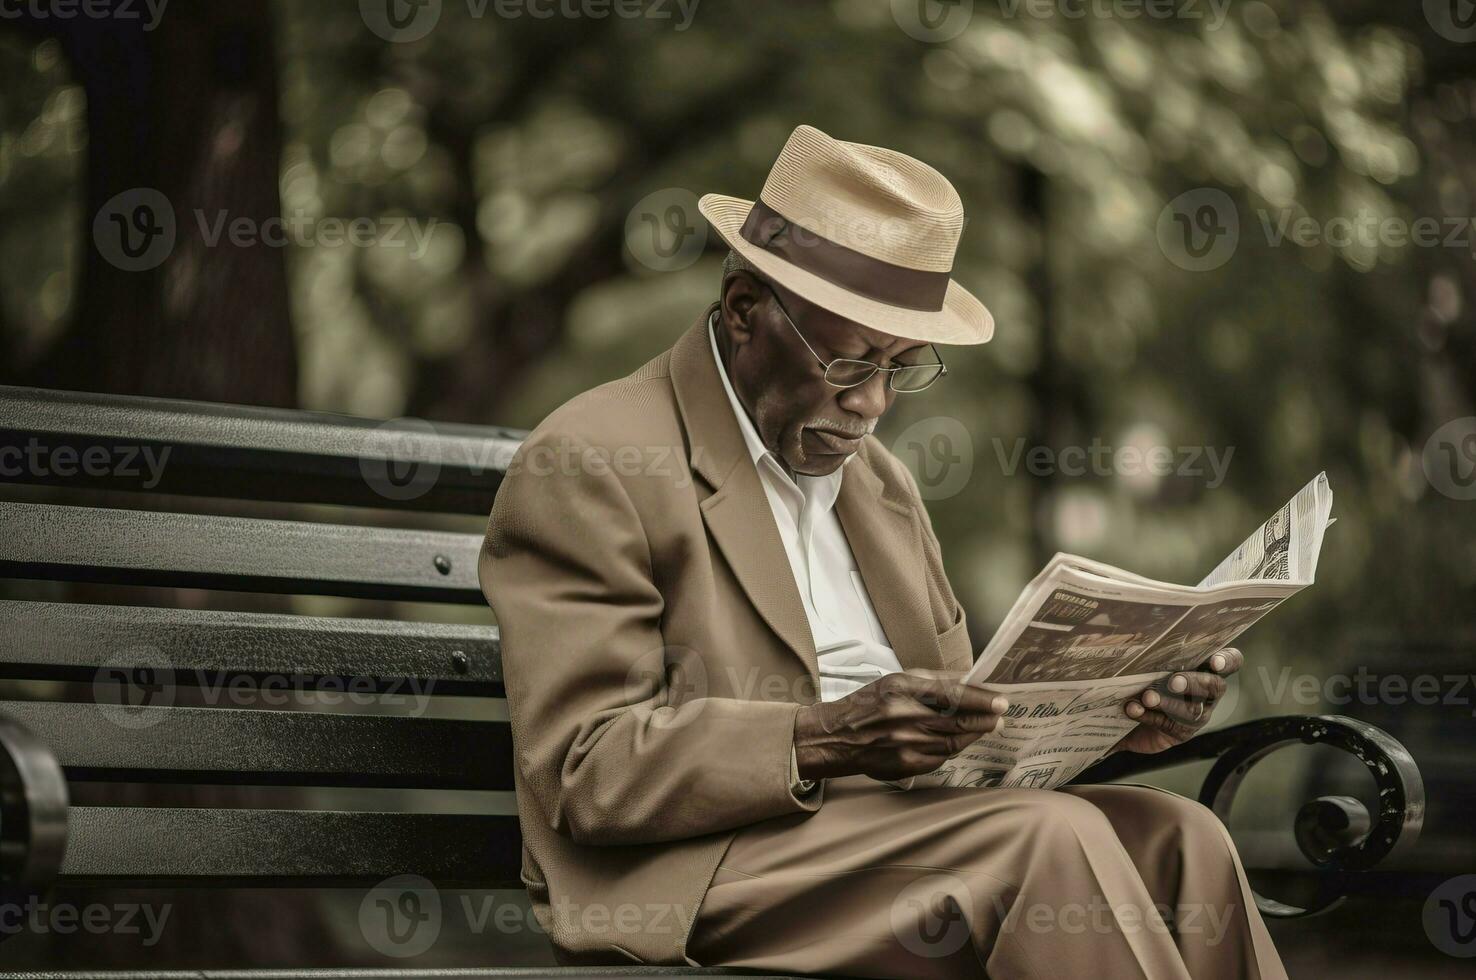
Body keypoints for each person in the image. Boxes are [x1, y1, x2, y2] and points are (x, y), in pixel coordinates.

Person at [479, 124, 1286, 978]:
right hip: (707, 866)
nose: (871, 405)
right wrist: (824, 738)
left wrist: (1124, 724)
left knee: (1182, 841)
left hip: (902, 826)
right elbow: (587, 768)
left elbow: (968, 737)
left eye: (900, 368)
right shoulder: (594, 457)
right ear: (746, 311)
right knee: (1048, 839)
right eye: (846, 362)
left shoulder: (882, 485)